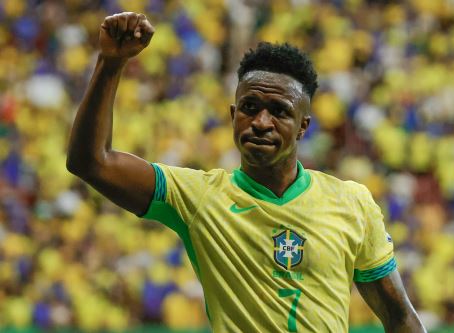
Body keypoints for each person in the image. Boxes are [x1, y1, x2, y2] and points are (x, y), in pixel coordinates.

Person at [67, 12, 426, 333]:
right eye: (249, 108)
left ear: (303, 127)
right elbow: (91, 162)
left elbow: (401, 319)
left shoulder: (352, 203)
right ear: (232, 115)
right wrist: (110, 64)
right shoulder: (197, 197)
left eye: (279, 112)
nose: (261, 122)